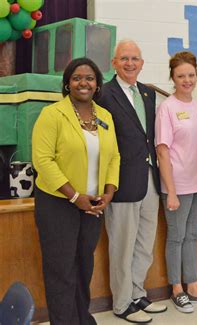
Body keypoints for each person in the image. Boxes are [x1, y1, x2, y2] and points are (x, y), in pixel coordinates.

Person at [32, 57, 120, 324]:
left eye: (90, 78)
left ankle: (82, 318)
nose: (84, 82)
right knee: (61, 269)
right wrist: (73, 196)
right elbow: (43, 160)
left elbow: (114, 156)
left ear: (97, 85)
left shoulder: (105, 116)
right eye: (77, 78)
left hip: (93, 204)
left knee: (83, 266)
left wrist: (109, 192)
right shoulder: (52, 114)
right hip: (58, 203)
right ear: (68, 84)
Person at [95, 39, 166, 323]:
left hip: (150, 177)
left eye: (135, 59)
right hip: (121, 181)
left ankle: (138, 293)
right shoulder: (104, 94)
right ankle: (122, 303)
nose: (130, 63)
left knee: (144, 242)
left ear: (142, 63)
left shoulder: (148, 93)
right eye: (124, 59)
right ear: (114, 63)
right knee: (122, 245)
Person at [155, 51, 197, 313]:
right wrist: (170, 191)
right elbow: (163, 151)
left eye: (191, 75)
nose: (187, 80)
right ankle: (177, 289)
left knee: (193, 236)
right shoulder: (167, 108)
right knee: (177, 237)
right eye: (181, 75)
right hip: (177, 186)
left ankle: (194, 286)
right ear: (172, 78)